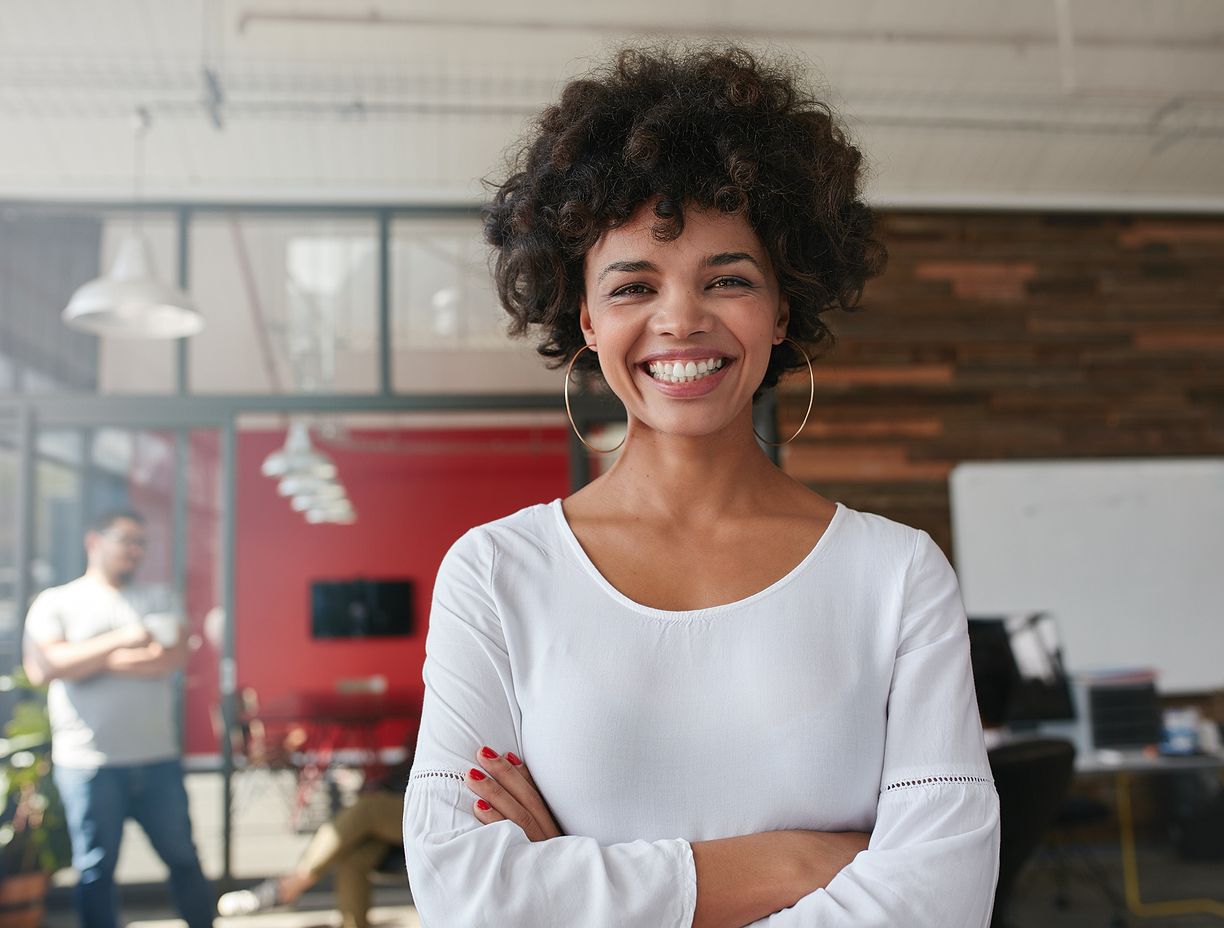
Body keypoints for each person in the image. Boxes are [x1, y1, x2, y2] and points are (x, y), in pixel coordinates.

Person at [403, 45, 1001, 928]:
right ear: (588, 320)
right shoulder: (496, 574)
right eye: (634, 285)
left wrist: (576, 880)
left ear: (782, 308)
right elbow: (467, 895)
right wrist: (806, 861)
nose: (681, 319)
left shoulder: (897, 574)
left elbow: (942, 896)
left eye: (727, 279)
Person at [22, 509, 214, 928]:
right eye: (126, 539)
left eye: (141, 542)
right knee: (96, 869)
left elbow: (172, 659)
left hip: (157, 760)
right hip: (89, 765)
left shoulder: (159, 598)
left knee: (184, 858)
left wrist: (86, 658)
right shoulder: (57, 601)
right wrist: (125, 640)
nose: (135, 550)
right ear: (94, 540)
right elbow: (44, 667)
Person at [215, 757, 412, 928]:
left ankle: (289, 886)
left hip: (434, 810)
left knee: (369, 808)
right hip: (408, 803)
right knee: (352, 857)